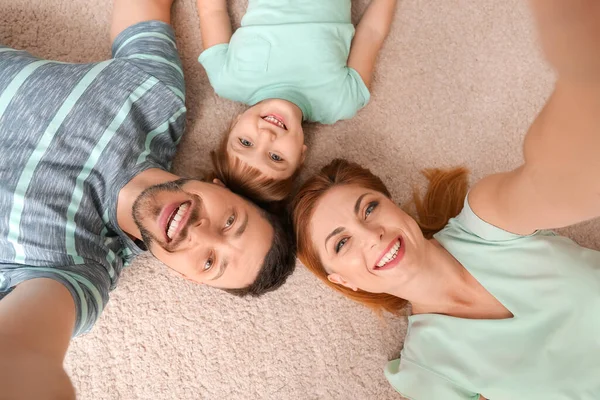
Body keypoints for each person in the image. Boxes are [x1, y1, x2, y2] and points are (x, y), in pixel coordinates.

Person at [292, 0, 600, 398]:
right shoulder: (428, 373)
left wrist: (581, 64)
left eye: (369, 208)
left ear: (394, 206)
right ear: (342, 280)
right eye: (342, 242)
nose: (371, 234)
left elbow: (563, 176)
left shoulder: (487, 220)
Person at [0, 0, 295, 398]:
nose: (199, 233)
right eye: (229, 222)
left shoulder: (79, 273)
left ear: (185, 277)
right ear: (221, 187)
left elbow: (26, 350)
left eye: (210, 262)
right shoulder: (156, 99)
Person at [196, 0, 397, 202]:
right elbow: (372, 33)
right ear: (301, 156)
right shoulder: (340, 100)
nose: (266, 135)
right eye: (276, 157)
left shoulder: (227, 80)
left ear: (234, 124)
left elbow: (211, 11)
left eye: (246, 142)